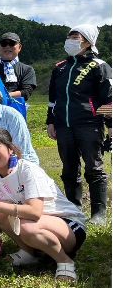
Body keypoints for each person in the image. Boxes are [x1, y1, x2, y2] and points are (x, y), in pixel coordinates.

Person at [0, 128, 87, 283]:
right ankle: (29, 253)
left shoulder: (27, 169)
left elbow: (34, 212)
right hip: (33, 226)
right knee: (0, 213)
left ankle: (65, 261)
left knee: (24, 224)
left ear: (10, 149)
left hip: (67, 226)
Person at [47, 24, 111, 225]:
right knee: (69, 169)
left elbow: (108, 99)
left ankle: (99, 213)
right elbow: (53, 99)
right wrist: (51, 121)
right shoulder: (60, 68)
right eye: (70, 36)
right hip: (63, 125)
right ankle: (74, 208)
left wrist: (110, 127)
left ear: (88, 41)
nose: (71, 40)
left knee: (94, 168)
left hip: (89, 124)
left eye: (76, 36)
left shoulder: (99, 65)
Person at [0, 32, 37, 114]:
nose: (7, 46)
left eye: (12, 43)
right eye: (4, 44)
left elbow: (26, 92)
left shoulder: (27, 69)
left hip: (17, 110)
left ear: (19, 47)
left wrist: (3, 96)